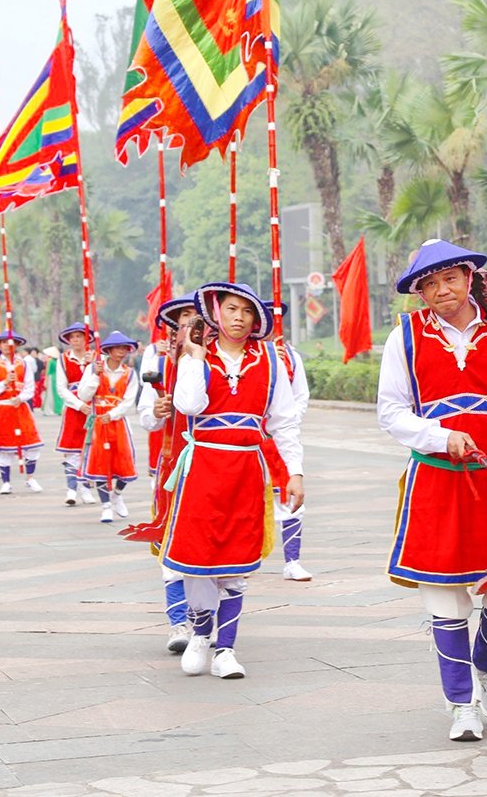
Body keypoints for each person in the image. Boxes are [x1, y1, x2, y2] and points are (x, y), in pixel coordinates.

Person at [376, 239, 487, 743]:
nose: (442, 290)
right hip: (435, 481)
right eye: (430, 283)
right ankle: (461, 704)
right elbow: (392, 412)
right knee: (445, 597)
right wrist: (441, 437)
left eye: (451, 278)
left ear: (469, 277)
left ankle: (486, 669)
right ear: (420, 291)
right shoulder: (405, 337)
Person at [159, 281, 303, 680]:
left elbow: (285, 421)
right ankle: (201, 633)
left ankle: (226, 648)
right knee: (197, 560)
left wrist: (295, 471)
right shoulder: (198, 360)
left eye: (247, 311)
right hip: (203, 467)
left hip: (245, 469)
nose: (239, 318)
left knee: (237, 563)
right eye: (232, 309)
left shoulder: (271, 361)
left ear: (257, 319)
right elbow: (189, 405)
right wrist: (193, 357)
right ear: (216, 314)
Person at [138, 292, 197, 655]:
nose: (191, 323)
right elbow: (146, 416)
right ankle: (178, 620)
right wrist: (159, 409)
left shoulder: (219, 357)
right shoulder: (157, 357)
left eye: (198, 316)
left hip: (214, 463)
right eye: (185, 317)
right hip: (173, 462)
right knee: (172, 536)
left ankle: (207, 620)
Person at [262, 304, 313, 581]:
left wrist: (287, 424)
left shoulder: (291, 356)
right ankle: (243, 558)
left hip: (279, 441)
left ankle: (292, 560)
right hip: (251, 442)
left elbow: (300, 396)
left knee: (291, 499)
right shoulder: (247, 356)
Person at [76, 331, 140, 524]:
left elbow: (128, 401)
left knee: (125, 463)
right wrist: (95, 376)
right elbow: (84, 395)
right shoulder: (94, 368)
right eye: (118, 348)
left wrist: (112, 415)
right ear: (109, 350)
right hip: (97, 424)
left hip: (118, 422)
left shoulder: (129, 374)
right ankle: (105, 506)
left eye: (125, 348)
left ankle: (117, 494)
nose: (122, 352)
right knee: (100, 464)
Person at [0, 331, 43, 495]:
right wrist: (4, 382)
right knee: (4, 447)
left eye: (10, 343)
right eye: (3, 343)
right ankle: (6, 482)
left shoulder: (24, 364)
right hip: (3, 408)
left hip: (21, 408)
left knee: (31, 443)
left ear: (16, 345)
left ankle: (30, 478)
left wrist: (22, 397)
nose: (7, 346)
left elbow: (30, 387)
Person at [54, 323, 97, 506]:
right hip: (74, 409)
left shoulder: (96, 358)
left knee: (89, 450)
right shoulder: (63, 360)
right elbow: (61, 389)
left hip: (93, 409)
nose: (76, 340)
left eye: (79, 336)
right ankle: (71, 488)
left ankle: (85, 488)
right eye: (72, 338)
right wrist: (79, 405)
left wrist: (93, 364)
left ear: (86, 339)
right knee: (72, 451)